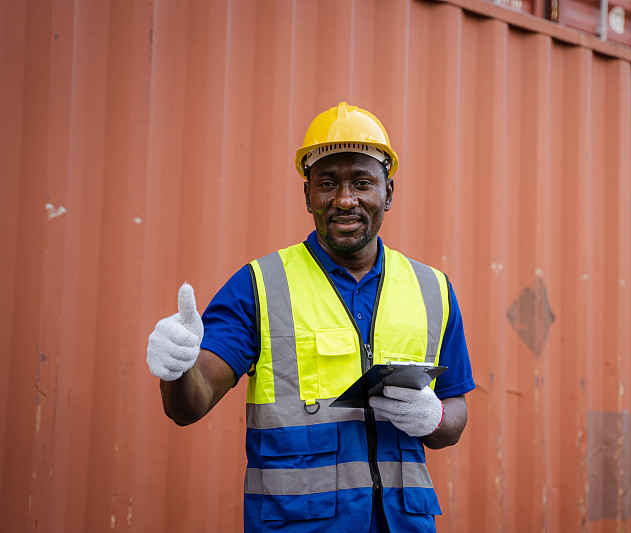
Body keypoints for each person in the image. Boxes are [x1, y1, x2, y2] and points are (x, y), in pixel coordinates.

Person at [146, 102, 475, 532]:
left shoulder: (433, 289)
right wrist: (176, 367)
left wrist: (434, 418)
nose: (344, 200)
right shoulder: (260, 286)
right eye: (327, 184)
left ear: (388, 193)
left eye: (362, 182)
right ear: (307, 196)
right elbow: (190, 404)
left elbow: (455, 413)